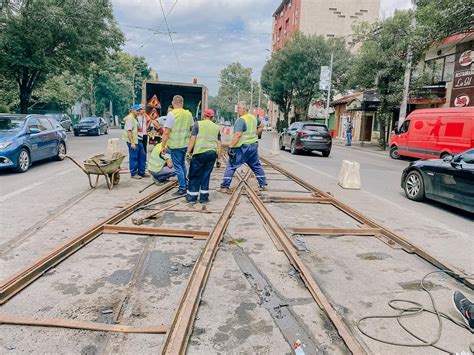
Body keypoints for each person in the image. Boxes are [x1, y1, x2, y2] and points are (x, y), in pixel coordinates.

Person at [217, 101, 267, 192]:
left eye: (239, 108)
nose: (237, 110)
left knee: (231, 165)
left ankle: (224, 186)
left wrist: (231, 146)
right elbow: (262, 125)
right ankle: (263, 184)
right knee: (256, 165)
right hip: (253, 146)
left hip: (242, 147)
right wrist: (256, 133)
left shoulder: (241, 120)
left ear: (244, 109)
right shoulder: (253, 118)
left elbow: (238, 135)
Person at [186, 108, 222, 204]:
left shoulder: (198, 124)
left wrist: (188, 152)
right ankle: (203, 198)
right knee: (206, 175)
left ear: (204, 115)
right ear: (212, 117)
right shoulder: (216, 127)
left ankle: (192, 198)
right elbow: (219, 143)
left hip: (199, 153)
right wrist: (219, 158)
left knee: (194, 175)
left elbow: (192, 139)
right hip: (212, 154)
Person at [161, 95, 194, 195]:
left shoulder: (172, 114)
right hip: (185, 145)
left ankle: (182, 188)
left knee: (178, 166)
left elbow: (166, 132)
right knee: (183, 164)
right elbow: (192, 129)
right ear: (182, 103)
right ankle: (186, 184)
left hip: (175, 145)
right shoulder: (188, 114)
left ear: (173, 103)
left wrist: (163, 145)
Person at [123, 104, 149, 179]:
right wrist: (132, 143)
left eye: (139, 110)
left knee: (142, 155)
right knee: (134, 157)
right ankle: (133, 173)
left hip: (138, 139)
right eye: (137, 110)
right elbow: (129, 132)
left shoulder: (135, 118)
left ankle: (141, 172)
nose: (138, 112)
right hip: (133, 141)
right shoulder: (130, 118)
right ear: (132, 110)